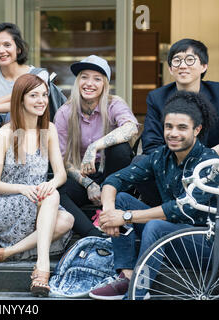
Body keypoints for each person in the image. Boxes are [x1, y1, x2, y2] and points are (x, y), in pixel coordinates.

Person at [89, 91, 219, 300]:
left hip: (205, 245)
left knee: (156, 226)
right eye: (169, 127)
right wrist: (110, 212)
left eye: (182, 127)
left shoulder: (208, 162)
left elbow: (180, 208)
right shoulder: (161, 156)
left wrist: (125, 217)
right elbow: (114, 180)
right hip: (171, 237)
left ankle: (137, 294)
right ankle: (127, 275)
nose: (173, 133)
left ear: (197, 129)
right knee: (121, 199)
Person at [0, 73, 74, 297]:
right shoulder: (3, 134)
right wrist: (23, 188)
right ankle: (43, 269)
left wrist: (50, 183)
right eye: (34, 95)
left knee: (67, 219)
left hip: (37, 200)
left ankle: (7, 253)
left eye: (44, 95)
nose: (41, 100)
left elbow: (60, 174)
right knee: (53, 199)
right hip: (5, 203)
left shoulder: (48, 129)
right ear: (20, 99)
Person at [54, 55, 139, 238]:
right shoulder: (64, 113)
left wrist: (95, 146)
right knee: (57, 193)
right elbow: (63, 160)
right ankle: (93, 234)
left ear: (104, 84)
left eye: (97, 78)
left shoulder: (113, 104)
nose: (89, 83)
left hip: (115, 177)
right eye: (84, 77)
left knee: (120, 149)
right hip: (83, 176)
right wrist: (89, 184)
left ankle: (108, 211)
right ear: (78, 81)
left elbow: (131, 128)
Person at [139, 39, 219, 206]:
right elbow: (151, 144)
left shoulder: (217, 93)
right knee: (140, 163)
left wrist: (208, 156)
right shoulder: (157, 97)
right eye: (177, 60)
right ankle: (163, 212)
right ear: (170, 68)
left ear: (204, 66)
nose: (183, 65)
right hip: (172, 163)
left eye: (190, 59)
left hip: (213, 163)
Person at [0, 22, 48, 177]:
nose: (1, 51)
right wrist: (18, 97)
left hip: (29, 141)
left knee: (2, 114)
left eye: (7, 45)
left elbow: (29, 104)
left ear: (18, 48)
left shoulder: (38, 75)